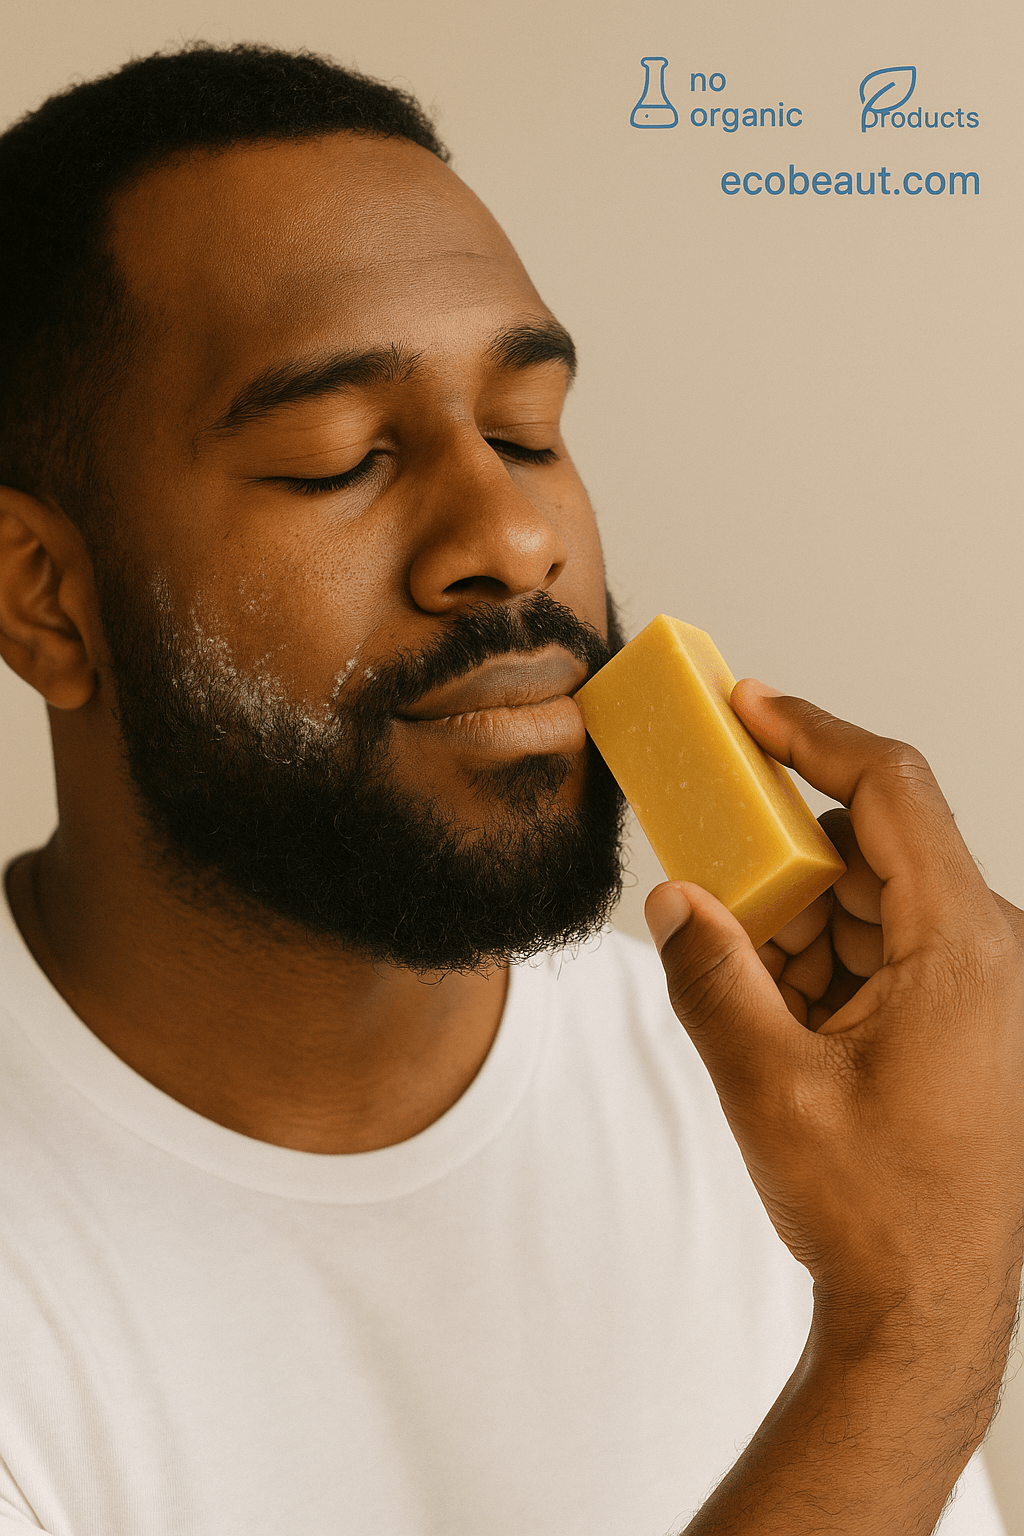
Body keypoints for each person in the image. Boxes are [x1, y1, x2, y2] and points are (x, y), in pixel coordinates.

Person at [0, 41, 1020, 1536]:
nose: (514, 537)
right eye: (339, 459)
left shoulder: (788, 1109)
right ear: (45, 598)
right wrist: (913, 1326)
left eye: (529, 432)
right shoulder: (899, 1244)